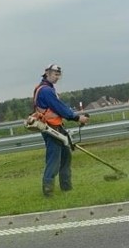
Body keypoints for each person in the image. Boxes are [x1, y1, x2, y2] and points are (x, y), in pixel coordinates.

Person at [33, 63, 89, 197]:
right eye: (55, 74)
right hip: (50, 128)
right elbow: (59, 108)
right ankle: (48, 191)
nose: (57, 77)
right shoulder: (46, 90)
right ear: (47, 73)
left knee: (65, 156)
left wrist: (73, 114)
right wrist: (76, 117)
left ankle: (66, 187)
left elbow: (60, 106)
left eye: (59, 75)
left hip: (57, 127)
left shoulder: (48, 89)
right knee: (54, 160)